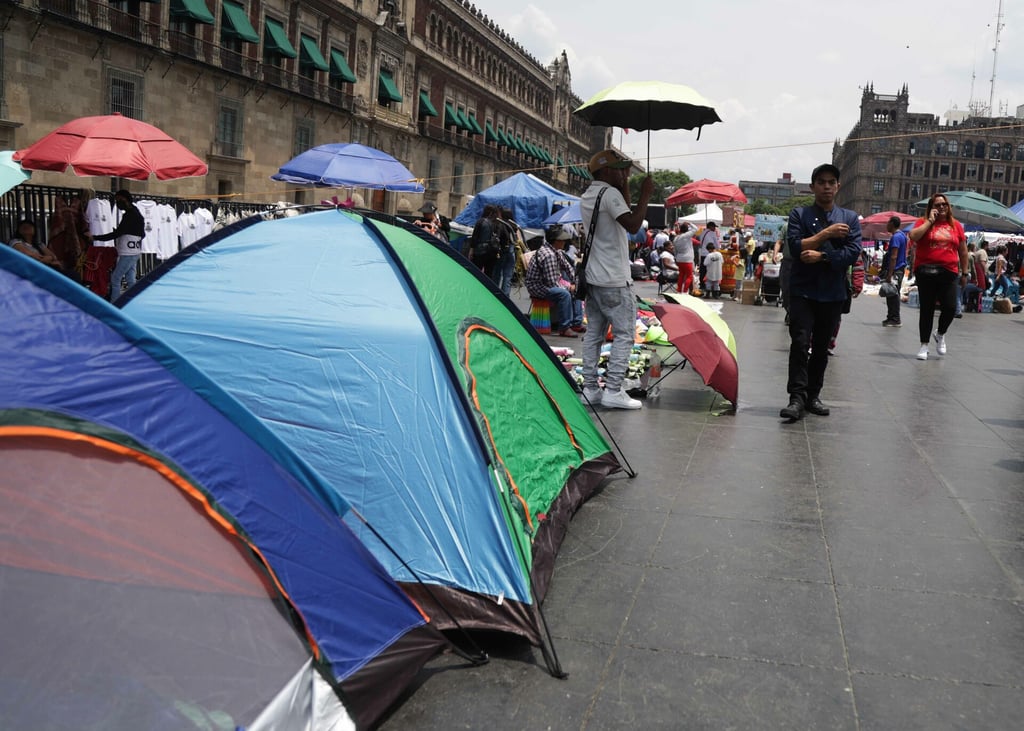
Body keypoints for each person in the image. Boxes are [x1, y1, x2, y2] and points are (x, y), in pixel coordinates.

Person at [780, 163, 862, 421]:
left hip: (832, 292)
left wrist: (823, 256)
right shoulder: (799, 214)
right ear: (813, 186)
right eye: (821, 182)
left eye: (831, 182)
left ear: (838, 186)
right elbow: (795, 247)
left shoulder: (849, 218)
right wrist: (826, 233)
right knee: (800, 342)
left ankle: (813, 395)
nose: (827, 186)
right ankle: (796, 397)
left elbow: (851, 253)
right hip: (803, 290)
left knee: (821, 346)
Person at [579, 148, 653, 410]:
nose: (625, 173)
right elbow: (633, 225)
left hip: (594, 277)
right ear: (607, 171)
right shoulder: (609, 194)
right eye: (621, 169)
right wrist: (645, 194)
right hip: (614, 278)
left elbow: (623, 215)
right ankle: (612, 390)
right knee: (624, 335)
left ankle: (590, 388)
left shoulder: (590, 194)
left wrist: (626, 187)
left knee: (594, 335)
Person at [908, 192, 968, 361]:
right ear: (931, 208)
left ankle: (940, 333)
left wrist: (965, 272)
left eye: (944, 204)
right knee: (926, 308)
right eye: (937, 205)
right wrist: (929, 222)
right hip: (925, 271)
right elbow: (913, 237)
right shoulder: (922, 222)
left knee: (950, 307)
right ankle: (924, 345)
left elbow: (963, 251)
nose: (941, 207)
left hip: (948, 271)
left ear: (948, 207)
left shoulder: (956, 226)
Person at [525, 225, 585, 337]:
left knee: (577, 289)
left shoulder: (557, 252)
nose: (564, 242)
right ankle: (565, 327)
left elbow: (569, 268)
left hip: (548, 283)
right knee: (564, 294)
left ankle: (576, 322)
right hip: (538, 287)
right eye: (561, 240)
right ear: (555, 241)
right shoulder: (549, 255)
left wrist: (575, 282)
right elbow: (551, 283)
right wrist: (568, 287)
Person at [91, 189, 146, 301]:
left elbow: (117, 234)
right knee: (130, 279)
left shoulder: (130, 215)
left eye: (118, 200)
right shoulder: (136, 212)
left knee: (116, 278)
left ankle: (115, 302)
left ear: (124, 199)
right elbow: (141, 233)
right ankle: (132, 301)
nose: (117, 203)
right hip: (133, 251)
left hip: (128, 252)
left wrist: (95, 237)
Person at [882, 215, 909, 327]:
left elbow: (894, 256)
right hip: (900, 268)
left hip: (896, 269)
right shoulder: (902, 235)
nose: (886, 225)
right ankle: (891, 317)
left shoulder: (896, 237)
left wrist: (890, 273)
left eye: (888, 222)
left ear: (892, 224)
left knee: (892, 294)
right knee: (892, 293)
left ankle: (895, 319)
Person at [468, 204, 507, 281]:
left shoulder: (480, 222)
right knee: (489, 274)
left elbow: (475, 237)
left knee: (476, 272)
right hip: (492, 251)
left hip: (480, 250)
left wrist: (471, 250)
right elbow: (503, 237)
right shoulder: (497, 223)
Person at [674, 223, 695, 293]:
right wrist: (690, 223)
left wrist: (676, 258)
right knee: (689, 276)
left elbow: (675, 250)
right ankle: (685, 291)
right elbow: (695, 229)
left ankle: (679, 290)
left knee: (681, 275)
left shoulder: (676, 238)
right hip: (687, 259)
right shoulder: (686, 236)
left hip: (679, 258)